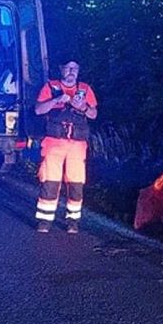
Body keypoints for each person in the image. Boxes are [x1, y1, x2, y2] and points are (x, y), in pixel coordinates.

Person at [34, 60, 97, 233]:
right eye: (68, 68)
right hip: (54, 142)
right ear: (61, 69)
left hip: (77, 143)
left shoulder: (85, 89)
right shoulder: (51, 87)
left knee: (76, 182)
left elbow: (93, 114)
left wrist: (82, 106)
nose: (71, 71)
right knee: (50, 180)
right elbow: (38, 110)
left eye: (75, 68)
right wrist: (56, 100)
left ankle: (73, 221)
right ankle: (45, 221)